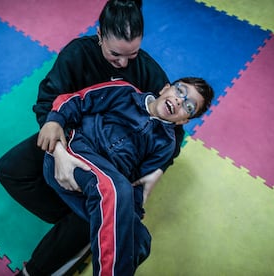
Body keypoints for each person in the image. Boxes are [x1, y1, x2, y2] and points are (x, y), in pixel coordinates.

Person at [0, 1, 184, 275]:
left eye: (132, 54)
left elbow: (176, 130)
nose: (123, 63)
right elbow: (48, 100)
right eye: (115, 54)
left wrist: (158, 170)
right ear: (99, 35)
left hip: (111, 158)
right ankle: (88, 221)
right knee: (9, 170)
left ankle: (85, 226)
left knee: (96, 209)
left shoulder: (147, 71)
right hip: (71, 135)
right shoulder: (77, 53)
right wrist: (59, 151)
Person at [42, 78, 214, 275]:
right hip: (74, 156)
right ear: (165, 88)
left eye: (188, 106)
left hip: (102, 190)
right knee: (116, 188)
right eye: (180, 91)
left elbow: (139, 184)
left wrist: (131, 213)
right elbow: (77, 100)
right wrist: (55, 120)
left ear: (184, 121)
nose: (179, 101)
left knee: (140, 240)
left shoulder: (166, 143)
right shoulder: (125, 92)